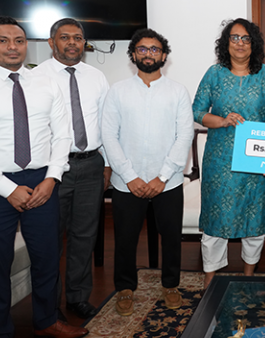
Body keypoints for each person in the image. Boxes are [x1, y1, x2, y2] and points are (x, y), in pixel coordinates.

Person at [0, 16, 87, 338]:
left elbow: (62, 135)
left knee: (46, 257)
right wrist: (7, 189)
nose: (12, 47)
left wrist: (52, 178)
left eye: (19, 41)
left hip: (42, 181)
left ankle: (47, 320)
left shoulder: (46, 83)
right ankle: (0, 330)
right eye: (3, 41)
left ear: (26, 45)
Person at [101, 28, 194, 315]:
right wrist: (130, 176)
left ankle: (171, 285)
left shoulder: (177, 91)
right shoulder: (117, 91)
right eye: (142, 49)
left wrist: (162, 176)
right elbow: (109, 136)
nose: (148, 54)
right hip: (126, 182)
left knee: (171, 237)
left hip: (168, 181)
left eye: (155, 49)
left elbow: (184, 135)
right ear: (133, 55)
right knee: (125, 238)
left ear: (164, 56)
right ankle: (125, 288)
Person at [192, 18, 265, 289]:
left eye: (246, 38)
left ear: (254, 44)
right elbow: (197, 111)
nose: (240, 43)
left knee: (254, 220)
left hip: (256, 162)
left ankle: (248, 276)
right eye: (234, 38)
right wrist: (221, 121)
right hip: (220, 161)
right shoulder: (214, 74)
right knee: (215, 220)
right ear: (226, 43)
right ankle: (210, 278)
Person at [33, 18, 110, 320]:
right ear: (51, 42)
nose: (72, 43)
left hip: (91, 164)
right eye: (65, 37)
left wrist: (107, 164)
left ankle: (77, 297)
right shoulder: (36, 78)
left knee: (84, 235)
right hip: (54, 170)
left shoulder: (96, 77)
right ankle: (49, 306)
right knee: (50, 238)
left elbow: (105, 123)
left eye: (77, 38)